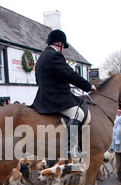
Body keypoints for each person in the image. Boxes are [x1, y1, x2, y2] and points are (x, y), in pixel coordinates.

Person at [31, 29, 96, 159]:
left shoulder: (42, 57)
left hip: (43, 97)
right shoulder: (55, 55)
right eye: (63, 47)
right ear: (60, 43)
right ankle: (70, 149)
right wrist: (89, 86)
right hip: (56, 98)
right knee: (78, 113)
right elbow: (70, 74)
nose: (63, 50)